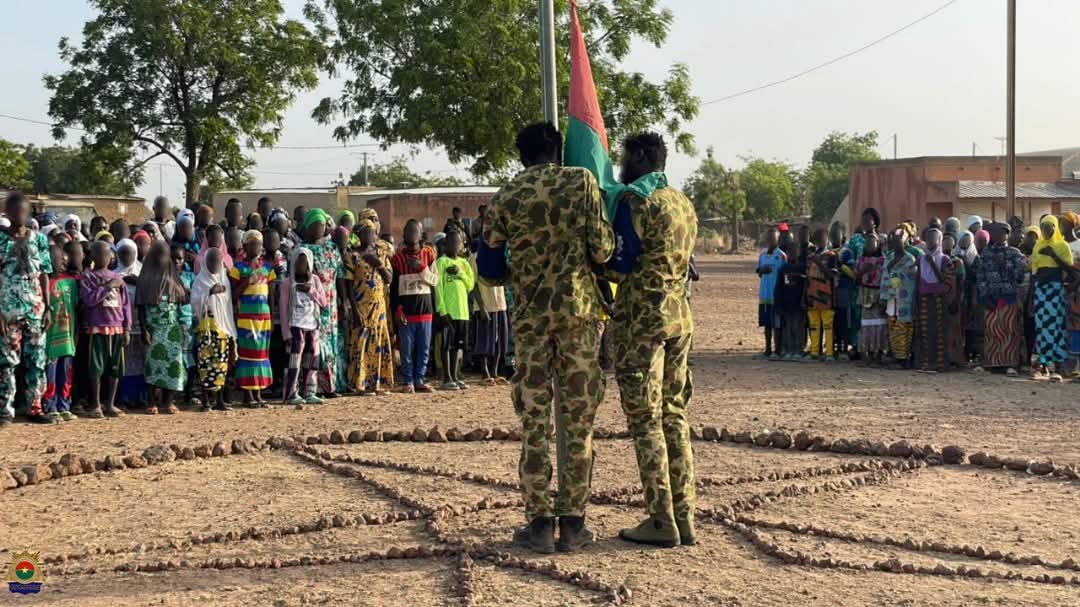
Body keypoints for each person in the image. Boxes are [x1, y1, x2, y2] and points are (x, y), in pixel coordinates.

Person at [479, 122, 614, 553]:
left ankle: (539, 523)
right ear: (558, 149)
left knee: (535, 423)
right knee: (578, 422)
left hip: (531, 322)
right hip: (577, 317)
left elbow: (490, 267)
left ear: (521, 156)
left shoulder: (507, 195)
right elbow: (602, 250)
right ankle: (573, 524)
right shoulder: (582, 182)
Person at [603, 131, 697, 548]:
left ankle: (660, 519)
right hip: (680, 320)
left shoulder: (636, 203)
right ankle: (684, 513)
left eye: (625, 157)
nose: (620, 166)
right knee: (674, 416)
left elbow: (621, 264)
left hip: (643, 323)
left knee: (645, 421)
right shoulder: (683, 204)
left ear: (641, 156)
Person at [0, 192, 53, 425]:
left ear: (29, 212)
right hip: (7, 311)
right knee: (6, 363)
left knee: (37, 362)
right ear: (7, 213)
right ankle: (5, 411)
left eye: (23, 210)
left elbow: (44, 274)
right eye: (14, 210)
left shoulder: (39, 239)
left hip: (35, 309)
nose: (19, 215)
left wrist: (48, 307)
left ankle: (35, 407)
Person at [300, 208, 348, 398]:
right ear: (308, 227)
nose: (319, 228)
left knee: (332, 345)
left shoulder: (332, 249)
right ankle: (314, 387)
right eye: (315, 225)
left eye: (322, 225)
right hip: (312, 303)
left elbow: (340, 276)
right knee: (315, 346)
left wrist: (344, 301)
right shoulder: (303, 250)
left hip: (332, 302)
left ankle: (331, 386)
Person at [137, 241, 189, 414]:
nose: (162, 258)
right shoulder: (145, 279)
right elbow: (141, 309)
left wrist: (183, 327)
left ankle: (169, 401)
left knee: (173, 367)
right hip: (153, 329)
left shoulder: (174, 278)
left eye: (165, 255)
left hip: (172, 330)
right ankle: (152, 401)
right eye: (158, 254)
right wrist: (144, 329)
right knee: (153, 366)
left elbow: (184, 302)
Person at [81, 240, 132, 416]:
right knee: (96, 367)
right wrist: (107, 287)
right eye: (99, 253)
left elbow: (126, 306)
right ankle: (96, 404)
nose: (104, 257)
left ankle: (110, 404)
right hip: (98, 327)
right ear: (93, 256)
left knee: (115, 367)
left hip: (116, 328)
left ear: (112, 256)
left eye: (107, 253)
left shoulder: (118, 278)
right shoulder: (88, 277)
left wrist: (127, 328)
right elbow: (89, 299)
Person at [345, 218, 395, 395]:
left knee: (378, 344)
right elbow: (348, 285)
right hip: (361, 306)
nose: (370, 236)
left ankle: (377, 384)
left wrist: (378, 264)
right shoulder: (352, 256)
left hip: (379, 307)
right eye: (365, 232)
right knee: (361, 344)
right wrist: (352, 308)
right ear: (358, 234)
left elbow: (389, 278)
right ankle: (360, 384)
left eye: (372, 232)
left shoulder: (381, 254)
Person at [229, 230, 277, 406]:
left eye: (259, 244)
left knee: (262, 355)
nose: (257, 247)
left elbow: (271, 294)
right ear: (246, 246)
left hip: (263, 318)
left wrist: (271, 316)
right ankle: (248, 396)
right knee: (247, 355)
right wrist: (247, 281)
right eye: (253, 244)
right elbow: (233, 296)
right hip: (246, 318)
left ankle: (258, 394)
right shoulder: (238, 268)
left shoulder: (267, 268)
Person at [390, 219, 437, 394]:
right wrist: (397, 309)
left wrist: (421, 268)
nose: (411, 235)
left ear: (420, 234)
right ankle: (408, 380)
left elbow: (435, 280)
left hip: (425, 310)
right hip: (406, 312)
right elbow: (393, 289)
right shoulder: (397, 259)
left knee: (424, 348)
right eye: (408, 231)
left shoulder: (429, 254)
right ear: (403, 234)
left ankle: (420, 379)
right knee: (406, 350)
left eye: (415, 231)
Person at [975, 222, 1027, 376]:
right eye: (995, 233)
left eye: (1000, 233)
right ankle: (992, 363)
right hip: (990, 298)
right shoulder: (986, 253)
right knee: (991, 330)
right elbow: (980, 275)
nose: (997, 236)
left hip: (1008, 298)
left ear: (1006, 234)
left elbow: (1019, 276)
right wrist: (984, 294)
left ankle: (1010, 364)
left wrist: (1005, 266)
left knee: (1009, 330)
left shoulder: (1015, 253)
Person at [191, 247, 237, 411]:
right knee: (205, 364)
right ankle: (206, 401)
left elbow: (228, 306)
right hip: (207, 329)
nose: (214, 264)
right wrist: (209, 292)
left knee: (221, 365)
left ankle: (220, 400)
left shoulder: (225, 280)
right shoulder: (200, 280)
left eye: (217, 261)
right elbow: (194, 301)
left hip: (222, 328)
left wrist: (230, 329)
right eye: (211, 261)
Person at [279, 247, 326, 404]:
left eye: (304, 263)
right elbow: (283, 309)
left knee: (312, 360)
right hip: (295, 326)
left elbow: (323, 302)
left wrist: (310, 290)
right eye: (298, 263)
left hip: (312, 326)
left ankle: (310, 391)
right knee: (294, 361)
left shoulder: (315, 281)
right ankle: (290, 393)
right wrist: (286, 334)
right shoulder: (287, 283)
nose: (301, 266)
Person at [1029, 216, 1073, 381]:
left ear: (1055, 228)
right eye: (1043, 227)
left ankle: (1059, 367)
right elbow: (1034, 271)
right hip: (1041, 291)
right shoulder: (1037, 246)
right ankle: (1044, 366)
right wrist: (1033, 295)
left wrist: (1053, 255)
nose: (1046, 230)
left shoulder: (1063, 246)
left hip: (1055, 290)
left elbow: (1069, 269)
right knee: (1041, 328)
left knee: (1056, 327)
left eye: (1049, 227)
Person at [434, 230, 474, 390]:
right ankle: (446, 378)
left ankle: (455, 375)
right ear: (445, 245)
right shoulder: (441, 262)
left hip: (462, 311)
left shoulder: (464, 264)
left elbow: (470, 285)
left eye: (458, 243)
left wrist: (460, 274)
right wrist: (442, 310)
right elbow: (438, 287)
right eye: (451, 242)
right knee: (446, 345)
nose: (455, 245)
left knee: (457, 346)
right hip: (448, 312)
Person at [44, 244, 79, 421]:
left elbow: (77, 308)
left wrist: (76, 333)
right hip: (49, 341)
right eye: (59, 260)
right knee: (50, 375)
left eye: (64, 261)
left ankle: (64, 404)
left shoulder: (71, 283)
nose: (63, 264)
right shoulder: (44, 284)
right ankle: (50, 406)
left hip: (67, 339)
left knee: (66, 375)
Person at [913, 228, 953, 372]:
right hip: (924, 298)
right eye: (928, 238)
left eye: (933, 238)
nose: (930, 241)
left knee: (939, 331)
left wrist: (932, 263)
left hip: (938, 299)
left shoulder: (944, 259)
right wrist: (916, 299)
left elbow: (945, 280)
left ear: (939, 240)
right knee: (924, 332)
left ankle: (939, 364)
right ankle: (926, 362)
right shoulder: (921, 258)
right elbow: (917, 280)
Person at [471, 243, 511, 385]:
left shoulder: (500, 257)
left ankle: (495, 372)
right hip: (485, 305)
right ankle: (485, 373)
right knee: (484, 340)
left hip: (500, 304)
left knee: (500, 340)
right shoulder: (475, 258)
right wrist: (481, 307)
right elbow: (473, 284)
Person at [115, 239, 146, 408]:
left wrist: (138, 283)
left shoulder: (143, 273)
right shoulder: (114, 275)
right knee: (124, 361)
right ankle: (124, 397)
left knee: (140, 360)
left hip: (140, 324)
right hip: (122, 325)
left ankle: (140, 396)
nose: (127, 257)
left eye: (131, 253)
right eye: (123, 253)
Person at [881, 227, 918, 368]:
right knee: (892, 326)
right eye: (895, 241)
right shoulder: (889, 257)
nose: (897, 244)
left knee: (904, 327)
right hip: (891, 298)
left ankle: (903, 358)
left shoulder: (910, 259)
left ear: (905, 241)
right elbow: (884, 276)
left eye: (899, 241)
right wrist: (883, 296)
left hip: (905, 300)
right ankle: (896, 355)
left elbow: (911, 280)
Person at [805, 228, 837, 361]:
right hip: (812, 294)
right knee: (814, 325)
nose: (821, 241)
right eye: (818, 239)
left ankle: (829, 353)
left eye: (823, 238)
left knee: (828, 325)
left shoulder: (831, 256)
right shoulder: (810, 256)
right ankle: (814, 352)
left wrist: (819, 263)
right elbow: (806, 276)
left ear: (827, 239)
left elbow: (831, 275)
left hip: (826, 295)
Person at [856, 232, 887, 366]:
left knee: (879, 325)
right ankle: (867, 354)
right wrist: (863, 271)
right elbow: (856, 278)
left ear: (878, 244)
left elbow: (886, 279)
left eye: (872, 242)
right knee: (866, 325)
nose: (869, 245)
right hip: (865, 292)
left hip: (878, 292)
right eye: (867, 243)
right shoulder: (861, 260)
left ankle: (878, 355)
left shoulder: (883, 260)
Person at [754, 227, 785, 360]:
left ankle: (777, 350)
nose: (770, 240)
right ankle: (767, 349)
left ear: (778, 239)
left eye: (773, 238)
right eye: (768, 238)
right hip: (764, 295)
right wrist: (762, 270)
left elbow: (785, 275)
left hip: (776, 295)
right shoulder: (762, 255)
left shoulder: (782, 255)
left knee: (776, 324)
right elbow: (759, 272)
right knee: (766, 324)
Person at [773, 241, 806, 361]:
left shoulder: (802, 268)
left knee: (798, 327)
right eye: (790, 252)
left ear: (798, 253)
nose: (792, 254)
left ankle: (798, 350)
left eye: (794, 251)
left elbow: (805, 287)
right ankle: (788, 350)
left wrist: (804, 300)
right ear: (787, 253)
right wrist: (778, 303)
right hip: (786, 304)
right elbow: (779, 287)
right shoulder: (783, 269)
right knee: (788, 327)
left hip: (798, 304)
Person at [940, 232, 967, 368]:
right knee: (941, 328)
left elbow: (961, 282)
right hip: (939, 298)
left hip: (953, 298)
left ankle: (954, 358)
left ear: (954, 244)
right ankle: (942, 357)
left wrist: (957, 299)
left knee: (954, 328)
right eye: (944, 241)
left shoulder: (958, 262)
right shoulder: (937, 260)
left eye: (949, 241)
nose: (946, 243)